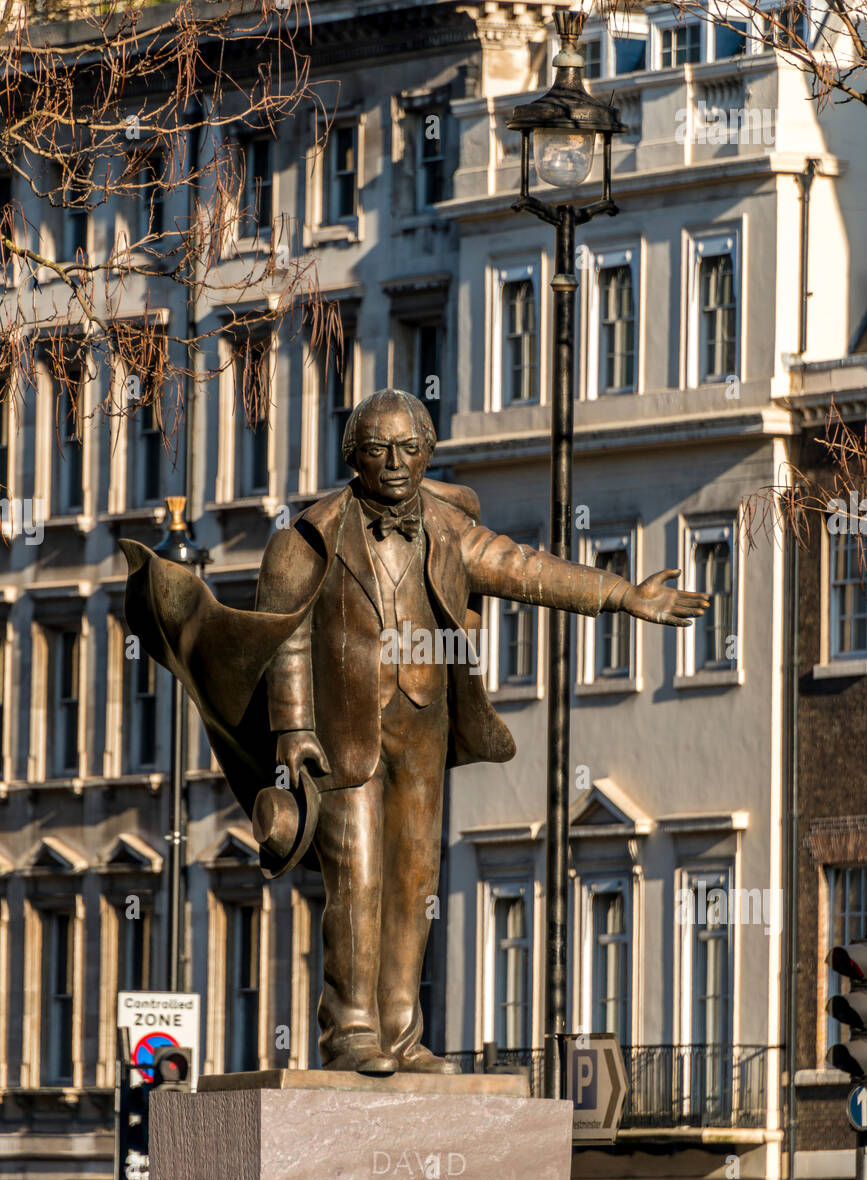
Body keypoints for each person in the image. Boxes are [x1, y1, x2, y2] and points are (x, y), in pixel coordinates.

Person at [122, 389, 708, 1075]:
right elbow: (283, 639)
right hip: (345, 733)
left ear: (427, 453)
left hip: (423, 726)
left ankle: (401, 1032)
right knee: (358, 878)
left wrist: (623, 596)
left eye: (408, 448)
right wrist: (293, 731)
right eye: (377, 449)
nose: (395, 463)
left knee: (413, 878)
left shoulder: (446, 526)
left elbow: (527, 570)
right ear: (355, 458)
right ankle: (351, 1030)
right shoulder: (307, 536)